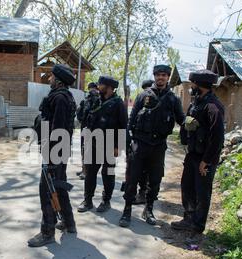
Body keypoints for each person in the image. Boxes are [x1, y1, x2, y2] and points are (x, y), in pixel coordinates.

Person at [119, 65, 185, 228]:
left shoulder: (173, 99)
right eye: (158, 75)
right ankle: (127, 210)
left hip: (158, 145)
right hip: (140, 143)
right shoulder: (143, 96)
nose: (160, 78)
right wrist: (128, 145)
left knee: (155, 180)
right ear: (154, 76)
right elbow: (131, 120)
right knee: (132, 178)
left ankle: (148, 209)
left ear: (168, 77)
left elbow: (181, 120)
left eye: (164, 75)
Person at [28, 64, 77, 247]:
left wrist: (51, 157)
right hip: (58, 149)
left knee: (47, 190)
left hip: (55, 150)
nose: (49, 79)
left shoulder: (60, 99)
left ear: (58, 80)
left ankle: (47, 232)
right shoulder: (65, 96)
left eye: (51, 77)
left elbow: (58, 129)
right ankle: (69, 223)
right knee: (59, 186)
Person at [171, 69, 225, 234]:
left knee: (202, 193)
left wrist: (206, 161)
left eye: (193, 83)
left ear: (199, 85)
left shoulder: (213, 107)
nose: (191, 86)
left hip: (204, 160)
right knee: (187, 188)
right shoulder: (197, 102)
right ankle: (188, 219)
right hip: (192, 155)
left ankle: (197, 226)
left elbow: (217, 138)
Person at [78, 76, 127, 214]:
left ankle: (106, 201)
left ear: (109, 87)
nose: (98, 86)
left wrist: (118, 146)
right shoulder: (95, 100)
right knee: (90, 173)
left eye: (101, 84)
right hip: (93, 143)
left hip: (110, 144)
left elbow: (123, 126)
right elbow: (84, 117)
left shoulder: (118, 103)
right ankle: (87, 200)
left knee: (108, 174)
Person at [76, 82, 100, 180]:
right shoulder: (85, 100)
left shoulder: (99, 100)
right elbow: (80, 113)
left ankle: (86, 172)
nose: (92, 91)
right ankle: (83, 169)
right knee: (83, 149)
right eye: (90, 89)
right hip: (84, 128)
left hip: (93, 129)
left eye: (93, 89)